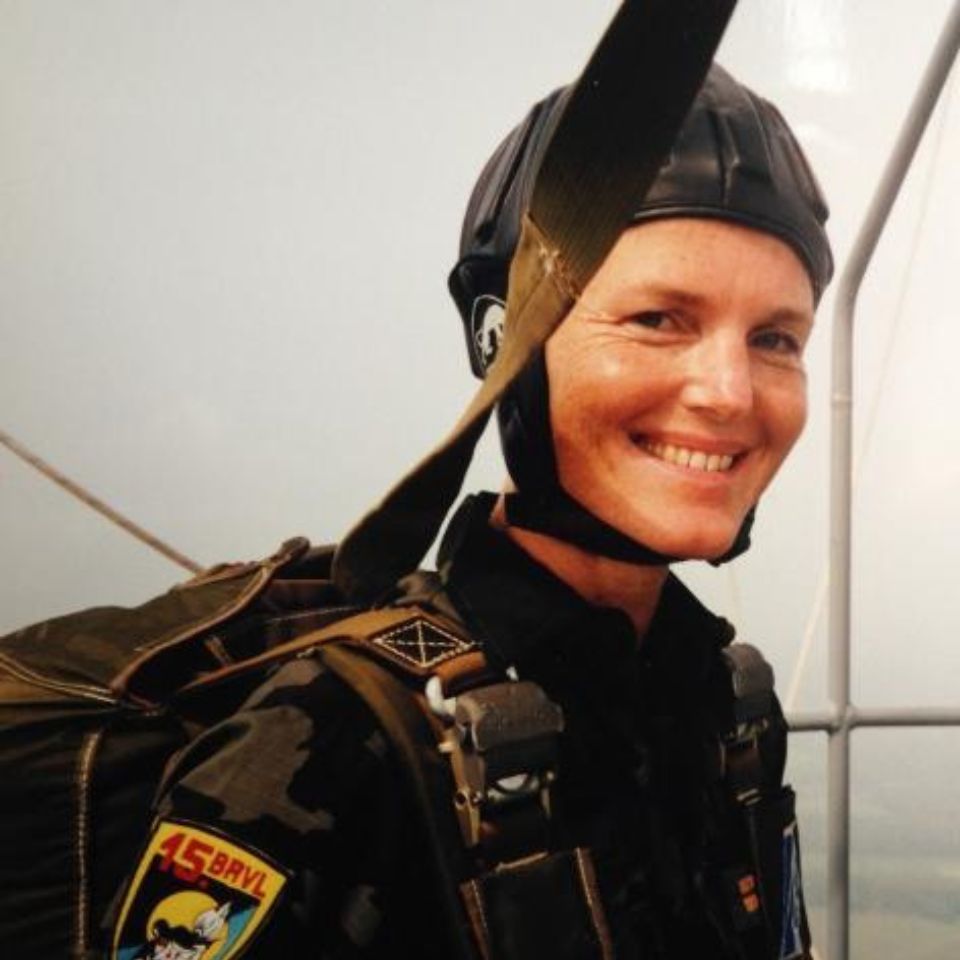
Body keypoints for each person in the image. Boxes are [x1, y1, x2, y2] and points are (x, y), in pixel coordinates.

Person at [106, 63, 832, 960]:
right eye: (657, 319)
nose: (730, 393)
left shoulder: (727, 706)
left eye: (776, 339)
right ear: (505, 342)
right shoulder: (331, 744)